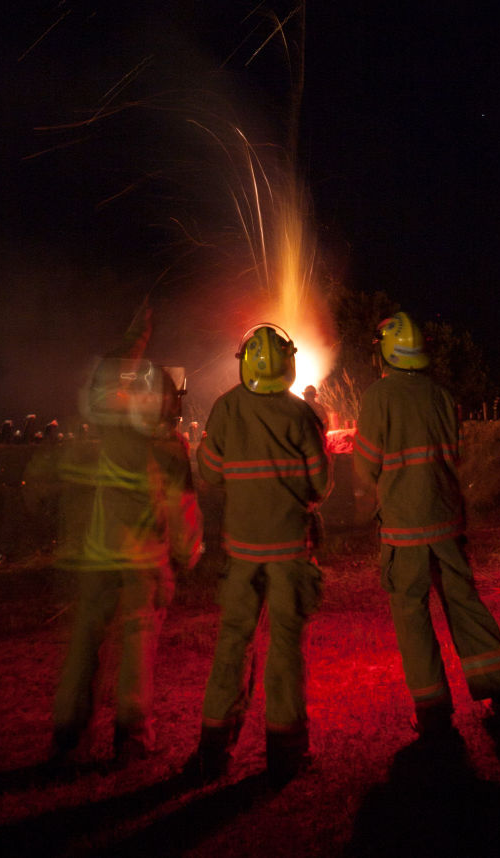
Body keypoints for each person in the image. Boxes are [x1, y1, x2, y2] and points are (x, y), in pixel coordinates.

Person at [354, 311, 500, 735]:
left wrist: (372, 493)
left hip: (403, 525)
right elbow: (454, 453)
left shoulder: (378, 398)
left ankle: (432, 709)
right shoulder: (443, 395)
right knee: (464, 602)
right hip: (445, 518)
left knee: (411, 611)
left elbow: (367, 464)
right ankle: (499, 691)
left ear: (385, 354)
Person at [50, 354, 202, 765]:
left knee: (85, 644)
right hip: (144, 563)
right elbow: (182, 507)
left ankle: (68, 735)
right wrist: (189, 553)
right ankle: (133, 737)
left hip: (99, 558)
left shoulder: (110, 440)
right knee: (137, 647)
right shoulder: (170, 449)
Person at [195, 323, 330, 782]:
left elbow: (210, 473)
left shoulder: (226, 408)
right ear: (290, 364)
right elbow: (322, 484)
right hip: (291, 551)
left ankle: (213, 750)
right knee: (287, 647)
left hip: (241, 552)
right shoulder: (302, 416)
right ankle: (286, 751)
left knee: (233, 641)